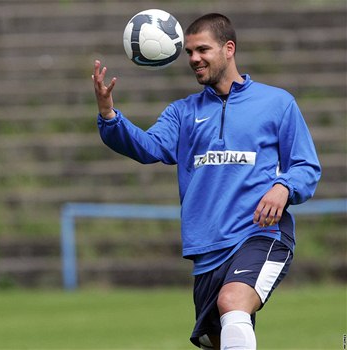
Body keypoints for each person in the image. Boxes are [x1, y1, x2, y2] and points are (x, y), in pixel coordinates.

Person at [92, 13, 321, 349]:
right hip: (207, 248)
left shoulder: (277, 103)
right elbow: (148, 147)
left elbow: (306, 166)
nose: (194, 59)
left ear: (229, 49)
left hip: (261, 233)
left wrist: (283, 187)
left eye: (202, 49)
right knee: (218, 341)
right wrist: (109, 115)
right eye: (188, 52)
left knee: (232, 301)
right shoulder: (182, 112)